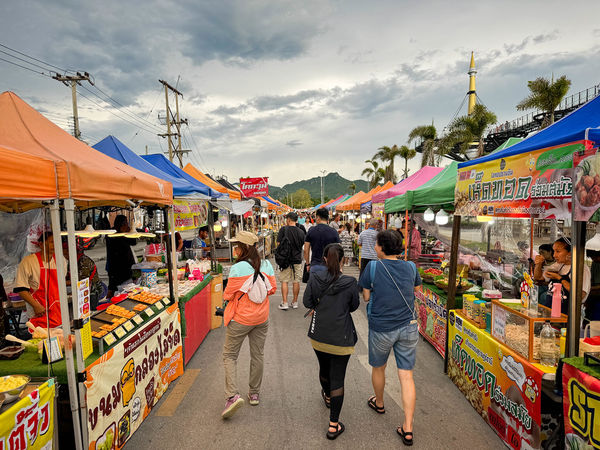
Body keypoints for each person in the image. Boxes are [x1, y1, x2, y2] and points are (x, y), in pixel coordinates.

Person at [358, 230, 422, 446]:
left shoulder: (373, 267)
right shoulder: (411, 267)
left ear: (382, 247)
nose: (375, 247)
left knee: (379, 368)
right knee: (406, 376)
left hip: (381, 327)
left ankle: (380, 402)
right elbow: (417, 290)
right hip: (408, 327)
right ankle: (408, 427)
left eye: (376, 244)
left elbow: (366, 296)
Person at [303, 243, 359, 440]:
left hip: (318, 335)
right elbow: (354, 306)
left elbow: (307, 302)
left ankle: (327, 396)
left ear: (325, 259)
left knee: (324, 368)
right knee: (338, 378)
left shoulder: (315, 277)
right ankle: (334, 425)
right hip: (341, 337)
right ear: (343, 259)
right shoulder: (351, 282)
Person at [221, 231, 277, 419]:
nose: (234, 249)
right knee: (258, 354)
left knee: (229, 355)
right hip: (261, 318)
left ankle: (232, 395)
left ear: (243, 248)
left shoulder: (238, 269)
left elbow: (227, 295)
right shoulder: (267, 265)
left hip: (240, 319)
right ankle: (254, 393)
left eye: (236, 245)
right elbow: (272, 289)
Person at [14, 231, 67, 328]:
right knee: (39, 340)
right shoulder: (28, 262)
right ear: (41, 244)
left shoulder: (61, 260)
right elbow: (21, 289)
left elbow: (60, 284)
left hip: (57, 311)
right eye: (51, 242)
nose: (55, 245)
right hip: (38, 312)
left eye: (57, 242)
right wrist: (36, 306)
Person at [533, 237, 591, 313]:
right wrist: (538, 264)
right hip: (551, 310)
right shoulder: (559, 265)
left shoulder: (581, 269)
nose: (554, 255)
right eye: (554, 251)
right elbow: (539, 278)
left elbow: (580, 295)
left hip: (570, 314)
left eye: (558, 251)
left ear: (570, 253)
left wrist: (559, 278)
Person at [276, 212, 306, 310]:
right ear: (296, 220)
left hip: (285, 260)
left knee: (284, 281)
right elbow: (303, 245)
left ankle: (285, 303)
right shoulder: (301, 231)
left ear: (288, 219)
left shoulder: (283, 230)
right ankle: (295, 302)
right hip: (297, 259)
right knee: (296, 281)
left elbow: (279, 244)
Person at [63, 240, 104, 310]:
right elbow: (68, 275)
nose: (65, 256)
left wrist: (64, 283)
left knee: (90, 314)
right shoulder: (72, 261)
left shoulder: (84, 261)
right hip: (82, 292)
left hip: (92, 292)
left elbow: (83, 282)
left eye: (65, 253)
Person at [106, 215, 136, 298]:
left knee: (126, 290)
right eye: (124, 223)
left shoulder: (125, 233)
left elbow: (133, 242)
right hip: (115, 267)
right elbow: (114, 246)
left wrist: (130, 233)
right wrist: (122, 234)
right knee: (112, 289)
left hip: (127, 267)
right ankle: (109, 304)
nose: (126, 225)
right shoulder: (111, 234)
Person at [304, 208, 340, 274]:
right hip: (330, 266)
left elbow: (306, 250)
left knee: (315, 284)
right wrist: (339, 266)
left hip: (315, 265)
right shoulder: (334, 232)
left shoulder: (311, 230)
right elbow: (339, 250)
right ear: (327, 218)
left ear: (318, 218)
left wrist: (307, 264)